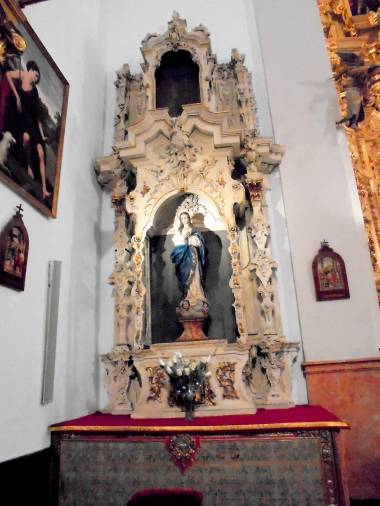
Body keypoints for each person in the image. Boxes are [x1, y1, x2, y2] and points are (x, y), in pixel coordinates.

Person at [6, 60, 50, 199]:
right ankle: (29, 166)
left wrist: (42, 135)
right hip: (22, 121)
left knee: (41, 154)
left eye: (37, 78)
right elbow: (7, 75)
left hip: (32, 124)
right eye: (35, 75)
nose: (36, 79)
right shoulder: (21, 73)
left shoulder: (35, 91)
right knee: (26, 139)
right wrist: (17, 95)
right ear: (31, 71)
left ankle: (44, 189)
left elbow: (36, 116)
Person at [170, 212, 207, 304]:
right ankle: (188, 295)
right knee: (184, 274)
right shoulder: (179, 231)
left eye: (186, 217)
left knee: (195, 274)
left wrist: (190, 238)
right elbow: (175, 241)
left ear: (189, 218)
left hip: (192, 253)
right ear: (181, 220)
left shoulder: (194, 230)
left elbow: (199, 242)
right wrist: (183, 238)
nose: (184, 220)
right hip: (182, 254)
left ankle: (197, 294)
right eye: (182, 218)